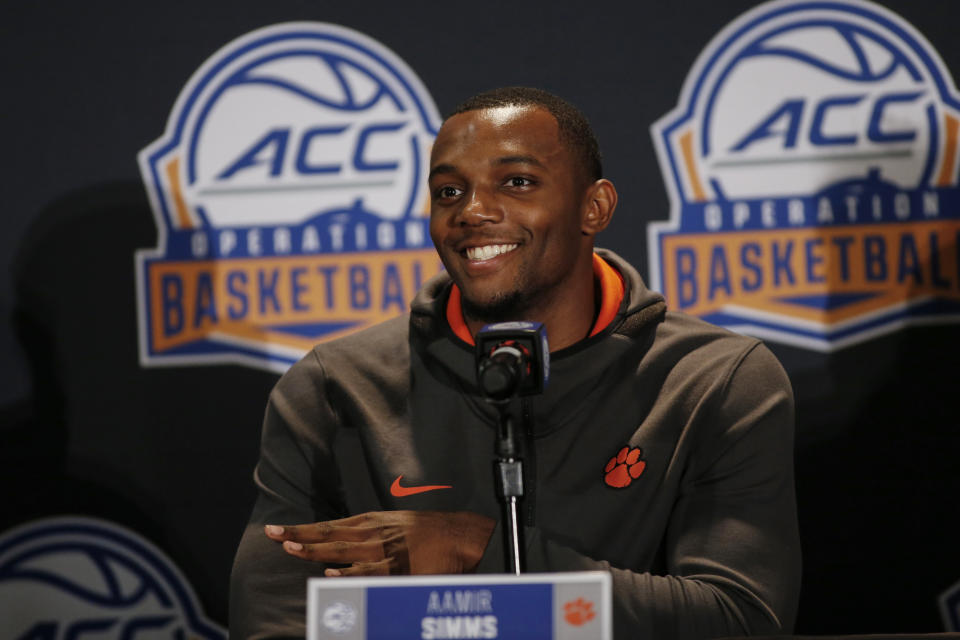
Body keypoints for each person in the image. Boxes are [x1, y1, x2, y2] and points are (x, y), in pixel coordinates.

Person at [229, 87, 801, 639]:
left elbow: (740, 618)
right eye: (449, 192)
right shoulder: (335, 386)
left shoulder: (713, 381)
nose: (472, 212)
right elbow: (275, 620)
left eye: (518, 182)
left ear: (594, 207)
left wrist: (476, 547)